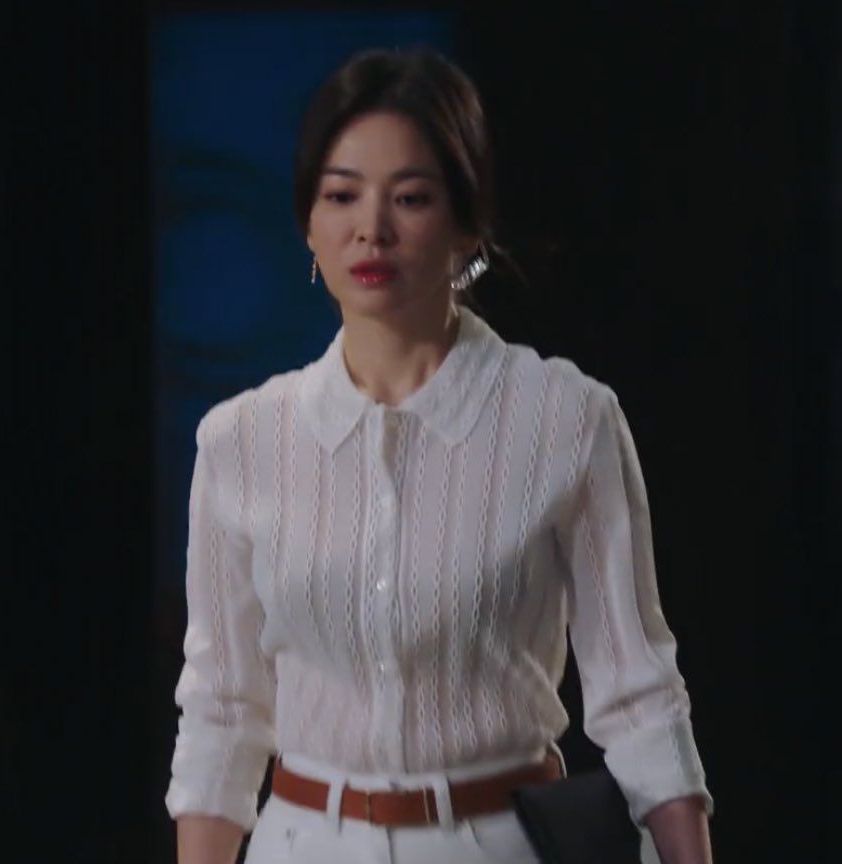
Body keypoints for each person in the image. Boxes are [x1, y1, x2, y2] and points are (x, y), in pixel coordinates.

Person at [165, 46, 714, 864]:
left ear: (467, 225)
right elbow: (223, 710)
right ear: (308, 224)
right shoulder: (241, 440)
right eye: (341, 195)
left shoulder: (566, 419)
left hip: (500, 841)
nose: (371, 229)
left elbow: (640, 695)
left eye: (411, 197)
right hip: (303, 843)